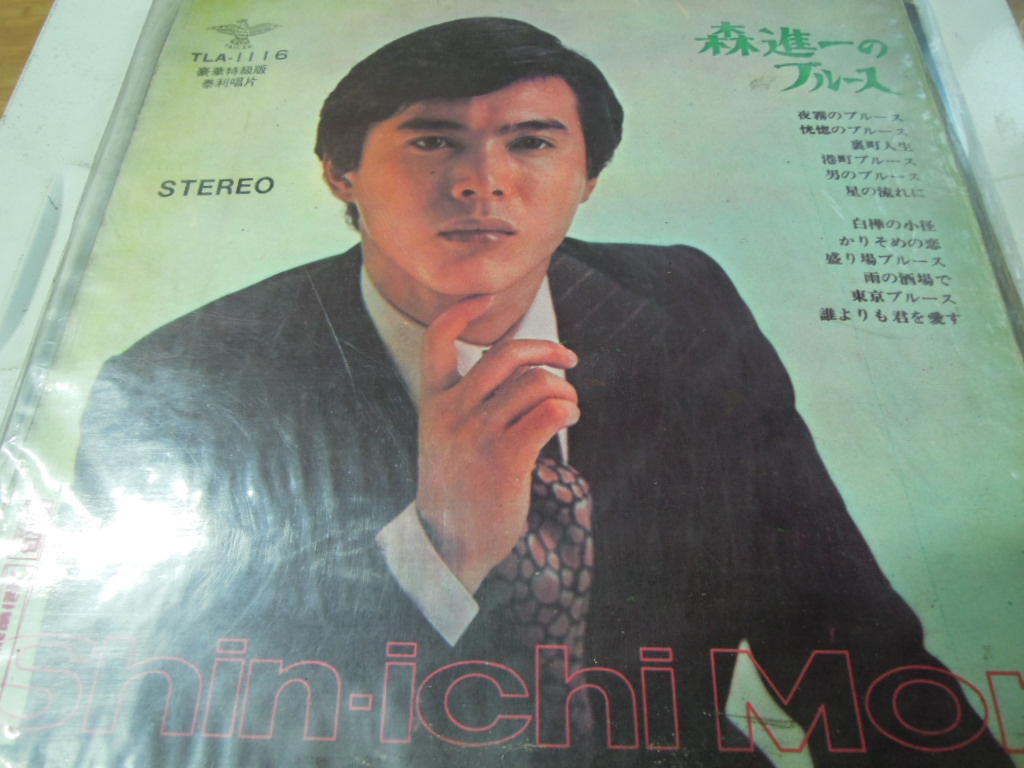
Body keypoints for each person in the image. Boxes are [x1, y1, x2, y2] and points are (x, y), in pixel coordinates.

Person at [28, 16, 1011, 768]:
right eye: (432, 142)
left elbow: (838, 631)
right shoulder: (183, 381)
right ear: (340, 173)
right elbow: (175, 729)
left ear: (589, 177)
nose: (482, 182)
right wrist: (442, 547)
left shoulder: (680, 303)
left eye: (532, 143)